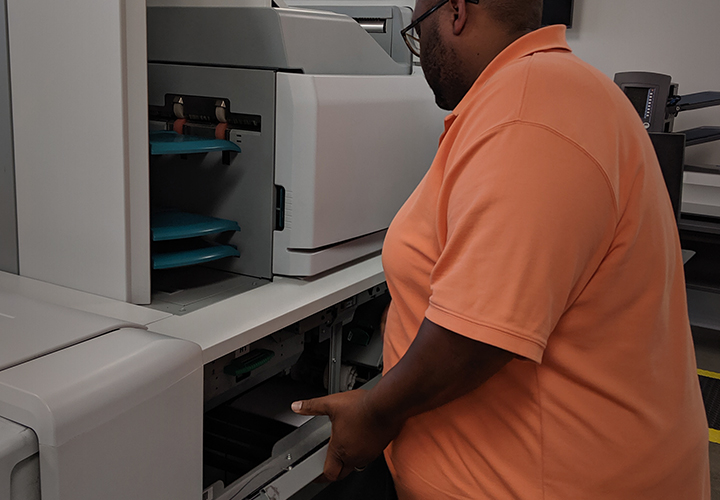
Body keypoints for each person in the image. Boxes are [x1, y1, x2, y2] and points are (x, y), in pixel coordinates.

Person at [292, 0, 711, 497]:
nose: (420, 53)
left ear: (456, 12)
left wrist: (373, 412)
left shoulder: (526, 112)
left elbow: (475, 338)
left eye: (416, 34)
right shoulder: (553, 90)